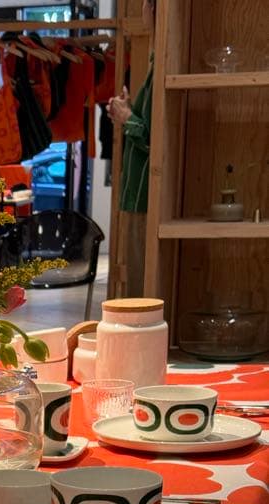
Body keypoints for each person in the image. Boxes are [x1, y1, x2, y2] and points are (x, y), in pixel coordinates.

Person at [107, 0, 156, 296]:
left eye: (146, 3)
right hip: (138, 192)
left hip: (145, 194)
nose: (141, 9)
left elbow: (154, 138)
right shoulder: (155, 62)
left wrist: (127, 118)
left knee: (140, 286)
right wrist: (128, 113)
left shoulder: (161, 65)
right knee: (138, 279)